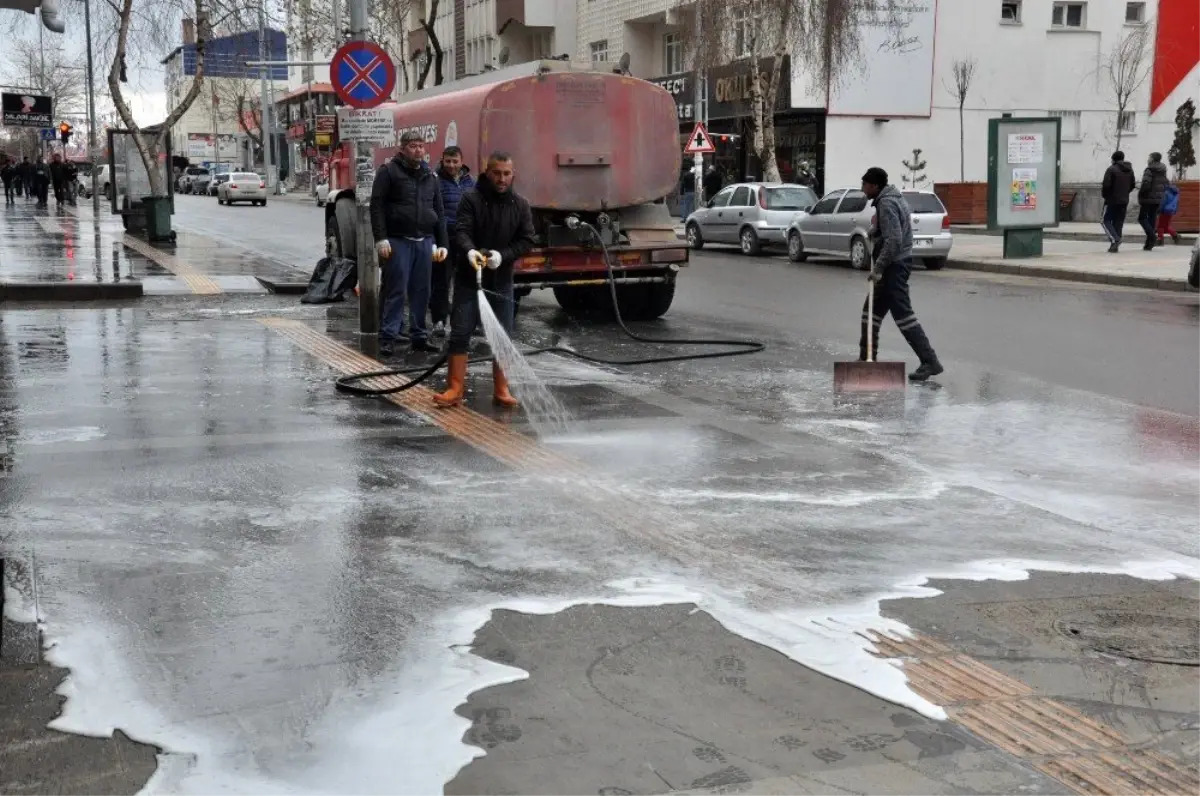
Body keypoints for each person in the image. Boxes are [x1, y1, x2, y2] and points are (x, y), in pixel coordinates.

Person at [434, 151, 536, 409]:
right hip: (470, 279)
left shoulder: (520, 205)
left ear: (513, 175)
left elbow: (527, 240)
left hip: (501, 280)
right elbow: (461, 230)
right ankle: (455, 388)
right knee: (460, 332)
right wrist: (470, 251)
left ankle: (501, 388)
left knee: (503, 335)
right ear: (487, 173)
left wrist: (502, 257)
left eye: (506, 174)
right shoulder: (471, 199)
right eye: (497, 173)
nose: (502, 179)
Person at [369, 130, 449, 358]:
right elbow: (377, 207)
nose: (418, 150)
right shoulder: (389, 172)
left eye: (421, 146)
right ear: (402, 148)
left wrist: (442, 242)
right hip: (398, 241)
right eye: (413, 146)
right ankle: (388, 337)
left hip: (424, 241)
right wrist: (381, 239)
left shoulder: (430, 176)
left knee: (422, 291)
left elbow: (439, 212)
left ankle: (419, 336)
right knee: (396, 290)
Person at [859, 167, 943, 382]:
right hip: (895, 264)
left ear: (875, 186)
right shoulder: (892, 197)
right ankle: (866, 359)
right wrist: (876, 232)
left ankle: (930, 361)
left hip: (894, 267)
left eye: (865, 184)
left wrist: (878, 268)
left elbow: (895, 239)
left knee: (903, 316)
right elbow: (895, 229)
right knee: (871, 313)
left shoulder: (886, 203)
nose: (863, 188)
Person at [433, 145, 475, 336]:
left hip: (465, 238)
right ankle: (439, 321)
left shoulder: (469, 182)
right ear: (442, 161)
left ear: (461, 161)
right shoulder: (435, 181)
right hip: (444, 238)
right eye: (447, 161)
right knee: (441, 279)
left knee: (466, 281)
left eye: (455, 161)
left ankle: (463, 320)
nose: (451, 165)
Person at [1100, 150, 1136, 253]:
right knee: (1118, 222)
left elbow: (1106, 185)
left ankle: (1115, 239)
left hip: (1112, 200)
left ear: (1113, 159)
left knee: (1105, 220)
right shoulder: (1130, 170)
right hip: (1124, 200)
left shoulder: (1111, 169)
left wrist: (1106, 196)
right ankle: (1114, 245)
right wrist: (1125, 193)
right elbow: (1133, 184)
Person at [1137, 151, 1170, 251]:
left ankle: (1152, 236)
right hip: (1158, 198)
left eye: (1149, 157)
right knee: (1151, 219)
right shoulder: (1163, 170)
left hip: (1148, 198)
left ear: (1152, 159)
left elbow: (1146, 184)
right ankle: (1149, 244)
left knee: (1141, 218)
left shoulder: (1149, 169)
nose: (1148, 159)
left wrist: (1141, 194)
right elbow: (1165, 182)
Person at [1157, 181, 1181, 246]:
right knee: (1165, 226)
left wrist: (1159, 209)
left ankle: (1160, 240)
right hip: (1171, 211)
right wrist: (1175, 210)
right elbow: (1177, 203)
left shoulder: (1166, 192)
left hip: (1164, 210)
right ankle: (1175, 235)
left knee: (1160, 226)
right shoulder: (1176, 193)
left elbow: (1163, 203)